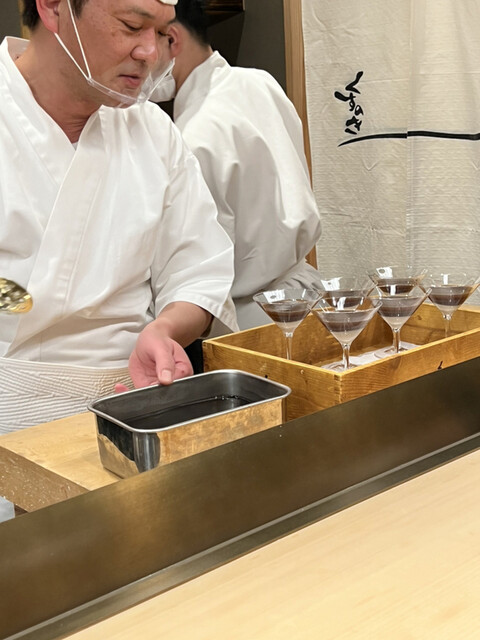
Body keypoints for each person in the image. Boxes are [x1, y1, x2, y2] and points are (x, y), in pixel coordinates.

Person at [0, 0, 238, 432]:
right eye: (131, 26)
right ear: (53, 8)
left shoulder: (153, 131)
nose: (150, 52)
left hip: (131, 409)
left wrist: (165, 330)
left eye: (162, 33)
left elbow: (199, 273)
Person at [157, 0, 323, 333]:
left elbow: (201, 262)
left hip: (248, 319)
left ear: (172, 39)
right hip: (307, 294)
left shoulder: (193, 135)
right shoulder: (261, 82)